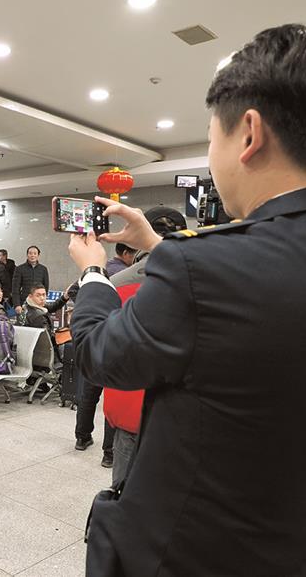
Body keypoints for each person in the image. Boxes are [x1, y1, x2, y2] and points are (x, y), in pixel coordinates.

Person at [68, 24, 306, 575]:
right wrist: (159, 247)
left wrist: (93, 274)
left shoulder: (201, 267)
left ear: (249, 133)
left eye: (212, 136)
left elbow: (100, 356)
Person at [103, 207, 190, 484]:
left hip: (127, 403)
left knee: (123, 487)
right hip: (182, 412)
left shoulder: (113, 285)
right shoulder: (201, 279)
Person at [12, 246, 49, 312]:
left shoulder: (43, 269)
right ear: (27, 255)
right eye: (30, 253)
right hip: (24, 303)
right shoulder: (19, 269)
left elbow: (46, 287)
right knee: (23, 322)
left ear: (38, 255)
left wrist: (43, 300)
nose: (32, 255)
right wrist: (17, 305)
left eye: (35, 253)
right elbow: (15, 288)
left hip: (38, 304)